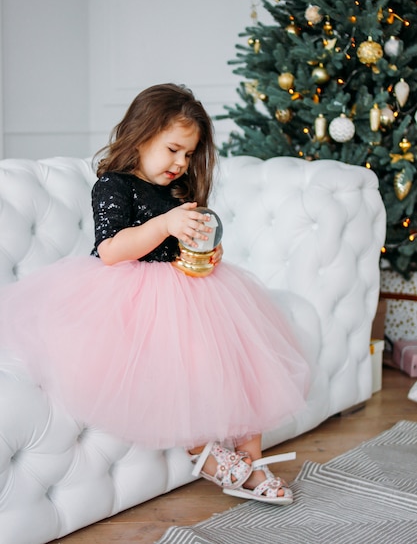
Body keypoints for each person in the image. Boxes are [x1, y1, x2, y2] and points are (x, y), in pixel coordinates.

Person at [0, 83, 310, 505]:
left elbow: (185, 246)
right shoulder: (114, 185)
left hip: (189, 287)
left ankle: (249, 458)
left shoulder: (178, 191)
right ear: (142, 135)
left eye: (188, 154)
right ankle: (204, 451)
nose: (181, 162)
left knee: (242, 353)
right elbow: (111, 250)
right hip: (128, 293)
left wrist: (207, 251)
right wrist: (165, 225)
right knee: (192, 358)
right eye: (173, 149)